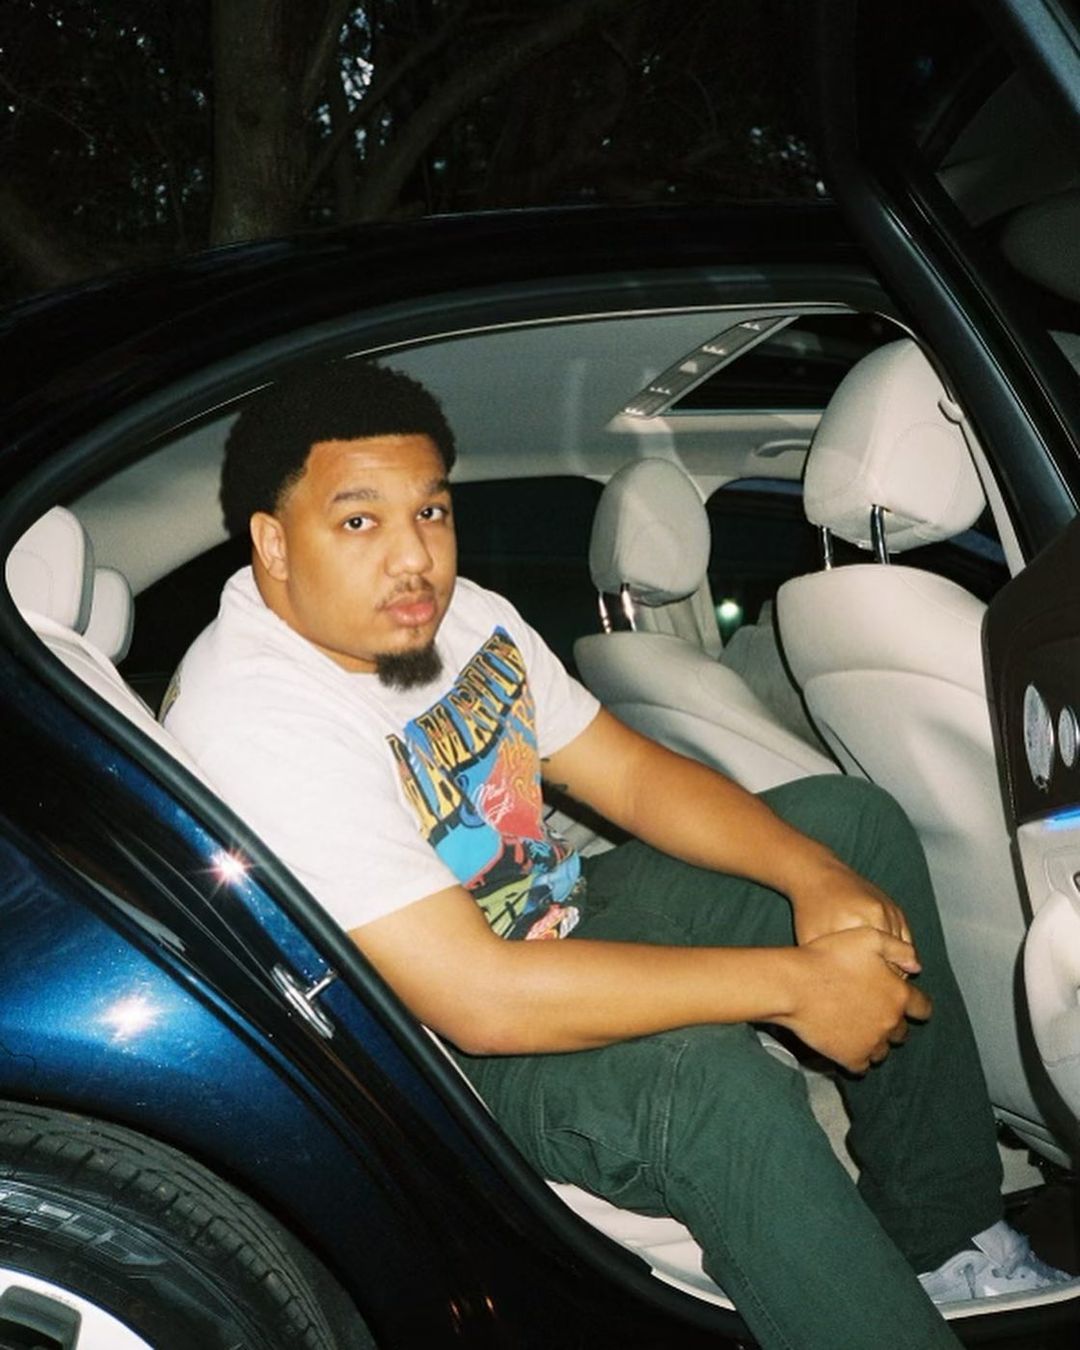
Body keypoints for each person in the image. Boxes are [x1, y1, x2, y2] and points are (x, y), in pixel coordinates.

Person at [164, 360, 1071, 1350]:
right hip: (443, 1063)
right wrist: (797, 986)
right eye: (358, 521)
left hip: (555, 916)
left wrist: (813, 876)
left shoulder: (462, 617)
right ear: (273, 543)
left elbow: (632, 778)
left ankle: (947, 1239)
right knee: (705, 1083)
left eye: (430, 512)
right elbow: (479, 999)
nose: (413, 557)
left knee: (845, 828)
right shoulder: (257, 715)